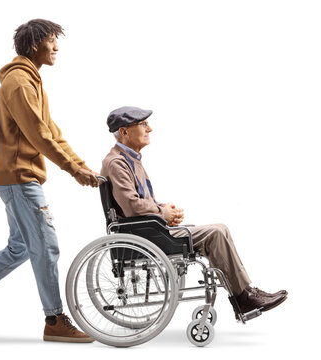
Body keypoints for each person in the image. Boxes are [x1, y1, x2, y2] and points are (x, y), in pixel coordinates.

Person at [0, 19, 98, 343]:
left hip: (17, 176)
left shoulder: (32, 81)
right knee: (46, 245)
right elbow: (38, 136)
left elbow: (52, 132)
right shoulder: (20, 83)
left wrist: (82, 167)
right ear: (35, 44)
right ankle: (54, 319)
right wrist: (72, 169)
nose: (56, 47)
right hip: (19, 177)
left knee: (22, 246)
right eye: (52, 41)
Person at [100, 106, 288, 318]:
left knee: (221, 228)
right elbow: (132, 206)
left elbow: (141, 201)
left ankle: (246, 294)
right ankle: (243, 299)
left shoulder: (130, 159)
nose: (149, 129)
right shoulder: (117, 163)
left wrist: (165, 209)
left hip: (149, 230)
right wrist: (162, 212)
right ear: (124, 132)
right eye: (143, 124)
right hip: (143, 235)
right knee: (215, 233)